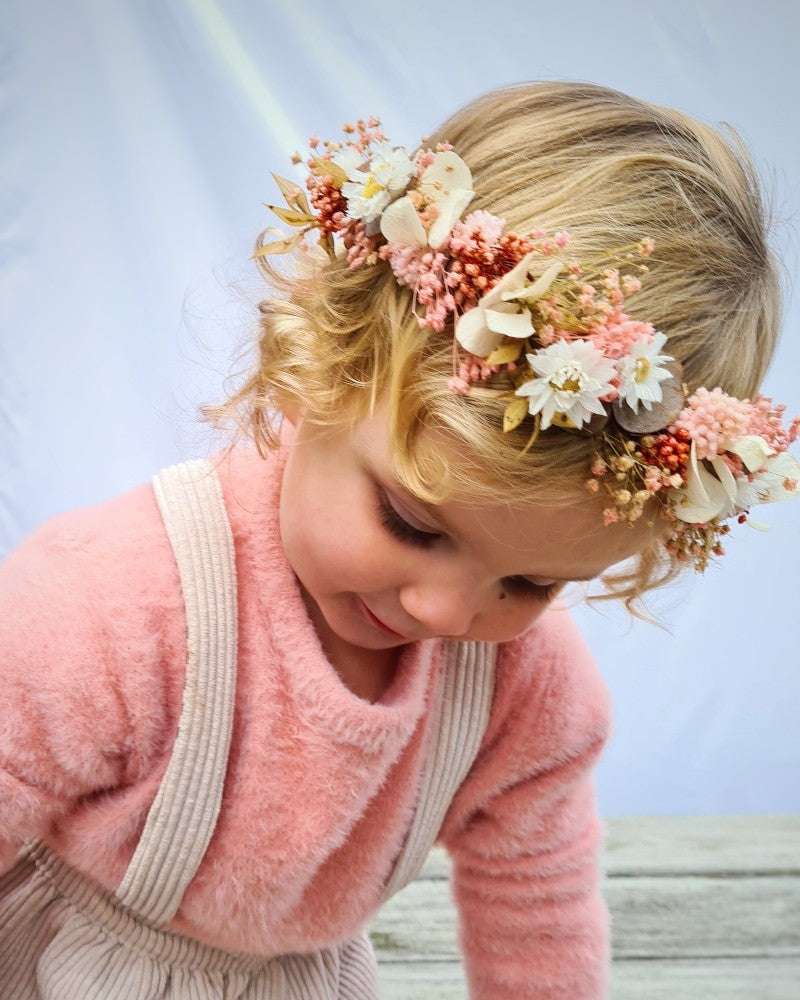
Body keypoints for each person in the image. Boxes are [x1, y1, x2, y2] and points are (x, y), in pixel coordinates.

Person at [0, 81, 797, 1000]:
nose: (448, 610)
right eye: (413, 524)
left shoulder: (525, 694)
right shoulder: (111, 606)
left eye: (531, 585)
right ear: (316, 369)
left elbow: (538, 909)